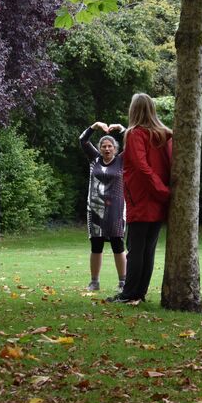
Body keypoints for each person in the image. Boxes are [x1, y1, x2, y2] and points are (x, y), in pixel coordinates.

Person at [107, 93, 172, 304]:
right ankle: (138, 292)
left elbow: (142, 167)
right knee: (147, 249)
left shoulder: (136, 134)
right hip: (157, 200)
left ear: (133, 110)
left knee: (136, 249)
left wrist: (161, 190)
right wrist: (164, 192)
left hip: (143, 199)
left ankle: (130, 294)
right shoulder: (165, 134)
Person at [79, 122, 126, 291]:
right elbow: (83, 140)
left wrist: (121, 128)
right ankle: (94, 282)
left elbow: (134, 143)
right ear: (100, 148)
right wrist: (94, 126)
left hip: (116, 209)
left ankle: (123, 282)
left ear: (115, 148)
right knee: (96, 245)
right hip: (95, 208)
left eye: (110, 146)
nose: (107, 149)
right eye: (104, 146)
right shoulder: (95, 159)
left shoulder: (121, 160)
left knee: (117, 244)